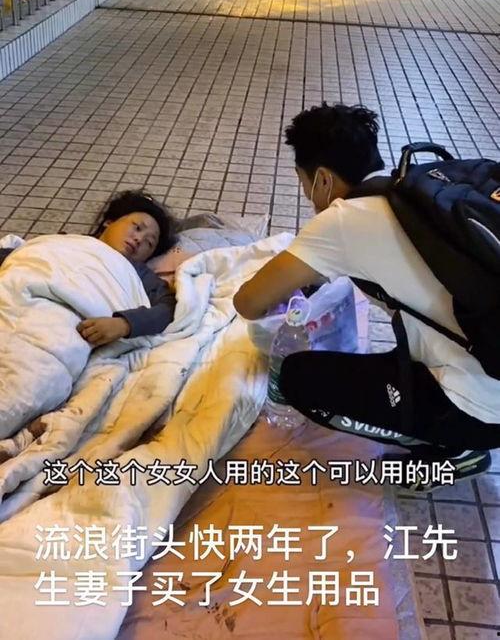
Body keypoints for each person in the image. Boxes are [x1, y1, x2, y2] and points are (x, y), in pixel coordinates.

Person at [234, 102, 498, 490]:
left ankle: (456, 451)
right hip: (488, 363)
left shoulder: (342, 220)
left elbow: (248, 303)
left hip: (478, 411)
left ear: (323, 179)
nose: (307, 194)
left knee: (298, 379)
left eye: (304, 183)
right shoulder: (413, 191)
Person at [0, 189, 177, 346]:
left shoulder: (138, 273)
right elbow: (23, 257)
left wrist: (124, 324)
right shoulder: (63, 241)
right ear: (109, 222)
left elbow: (168, 308)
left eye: (149, 242)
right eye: (137, 227)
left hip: (61, 331)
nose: (139, 239)